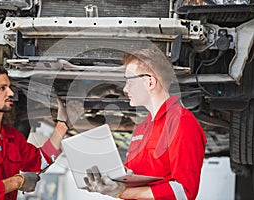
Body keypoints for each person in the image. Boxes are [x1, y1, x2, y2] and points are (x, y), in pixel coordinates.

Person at [84, 48, 207, 199]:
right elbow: (137, 178)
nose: (125, 88)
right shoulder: (142, 128)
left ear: (150, 82)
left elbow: (184, 192)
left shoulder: (182, 122)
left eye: (129, 81)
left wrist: (121, 191)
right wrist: (112, 178)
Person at [0, 65, 70, 200]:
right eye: (2, 88)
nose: (11, 93)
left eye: (9, 87)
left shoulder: (11, 137)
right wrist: (16, 182)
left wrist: (61, 127)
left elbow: (39, 161)